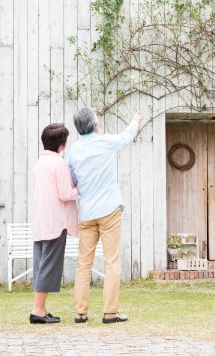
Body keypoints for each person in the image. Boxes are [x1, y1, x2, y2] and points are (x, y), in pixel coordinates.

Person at [67, 107, 142, 324]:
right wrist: (135, 120)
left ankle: (80, 312)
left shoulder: (73, 152)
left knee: (84, 263)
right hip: (109, 209)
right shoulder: (106, 142)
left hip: (87, 212)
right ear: (95, 126)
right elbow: (126, 136)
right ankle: (110, 312)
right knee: (112, 261)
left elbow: (72, 180)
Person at [29, 123, 79, 324]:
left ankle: (41, 308)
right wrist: (81, 188)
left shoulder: (39, 163)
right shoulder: (59, 164)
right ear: (62, 145)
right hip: (56, 221)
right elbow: (66, 193)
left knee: (41, 265)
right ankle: (38, 310)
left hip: (41, 220)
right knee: (49, 266)